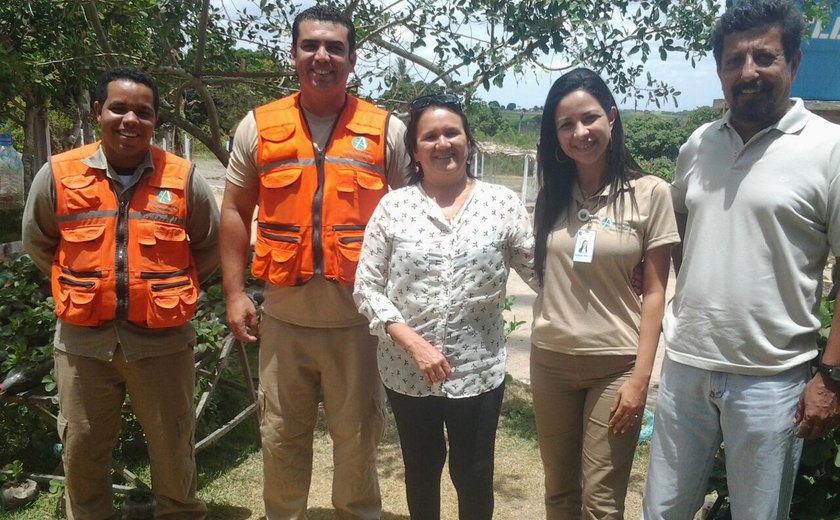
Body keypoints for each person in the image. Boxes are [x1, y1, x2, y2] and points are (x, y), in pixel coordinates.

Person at [641, 1, 840, 518]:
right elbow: (679, 226)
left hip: (773, 379)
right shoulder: (698, 144)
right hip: (686, 365)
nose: (748, 71)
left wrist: (831, 377)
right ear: (720, 70)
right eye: (735, 60)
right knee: (662, 510)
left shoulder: (829, 149)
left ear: (793, 62)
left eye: (764, 57)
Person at [219, 5, 411, 519]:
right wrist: (235, 294)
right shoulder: (257, 126)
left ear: (352, 59)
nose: (322, 57)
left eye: (334, 48)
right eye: (310, 46)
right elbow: (236, 211)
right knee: (282, 437)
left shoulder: (386, 130)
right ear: (293, 54)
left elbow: (409, 221)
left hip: (359, 323)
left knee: (358, 441)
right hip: (284, 320)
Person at [22, 66, 217, 519]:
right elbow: (39, 242)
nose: (130, 119)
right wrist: (84, 285)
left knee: (173, 445)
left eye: (143, 112)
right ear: (98, 112)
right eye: (119, 108)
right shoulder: (58, 174)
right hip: (83, 342)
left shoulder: (184, 178)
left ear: (156, 122)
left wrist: (172, 289)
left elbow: (208, 245)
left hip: (163, 341)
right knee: (83, 446)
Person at [353, 92, 535, 520]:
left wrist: (616, 271)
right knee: (421, 468)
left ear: (468, 141)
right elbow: (367, 287)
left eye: (452, 133)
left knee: (474, 473)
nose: (442, 143)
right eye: (429, 136)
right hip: (406, 370)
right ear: (415, 151)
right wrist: (412, 342)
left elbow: (541, 271)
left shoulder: (502, 204)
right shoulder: (393, 208)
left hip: (478, 370)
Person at [529, 68, 679, 520]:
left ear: (611, 117)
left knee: (602, 501)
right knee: (558, 492)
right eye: (566, 125)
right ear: (556, 136)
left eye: (590, 119)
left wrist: (640, 379)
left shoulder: (651, 193)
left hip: (614, 365)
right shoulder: (552, 195)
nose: (580, 132)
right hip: (550, 360)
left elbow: (655, 292)